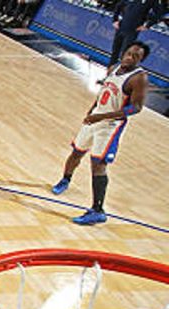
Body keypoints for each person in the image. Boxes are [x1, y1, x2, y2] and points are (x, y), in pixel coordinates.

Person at [50, 41, 150, 226]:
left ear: (141, 60)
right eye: (128, 53)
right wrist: (92, 111)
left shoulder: (139, 78)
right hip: (95, 117)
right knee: (76, 152)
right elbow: (103, 93)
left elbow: (136, 108)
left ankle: (98, 210)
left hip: (111, 125)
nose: (130, 57)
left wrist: (103, 116)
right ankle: (65, 180)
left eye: (135, 56)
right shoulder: (114, 68)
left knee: (98, 165)